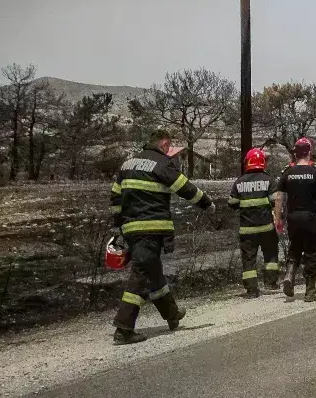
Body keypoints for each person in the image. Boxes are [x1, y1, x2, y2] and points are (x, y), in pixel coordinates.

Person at [108, 131, 214, 345]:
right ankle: (123, 328)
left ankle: (172, 314)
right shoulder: (162, 163)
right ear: (164, 143)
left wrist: (118, 226)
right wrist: (206, 203)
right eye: (169, 146)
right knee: (141, 275)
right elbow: (184, 187)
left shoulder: (127, 165)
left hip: (131, 229)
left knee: (153, 272)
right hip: (152, 228)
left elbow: (115, 197)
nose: (169, 151)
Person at [274, 137, 316, 301]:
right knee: (312, 252)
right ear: (309, 152)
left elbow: (279, 198)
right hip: (310, 218)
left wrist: (278, 219)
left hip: (293, 219)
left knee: (295, 247)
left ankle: (290, 275)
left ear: (295, 153)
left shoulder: (287, 172)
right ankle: (310, 291)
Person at [228, 147, 280, 298]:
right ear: (262, 163)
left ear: (247, 163)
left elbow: (232, 203)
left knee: (248, 259)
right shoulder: (269, 180)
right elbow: (275, 202)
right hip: (266, 228)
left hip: (247, 230)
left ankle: (251, 290)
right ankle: (271, 283)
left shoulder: (239, 182)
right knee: (270, 255)